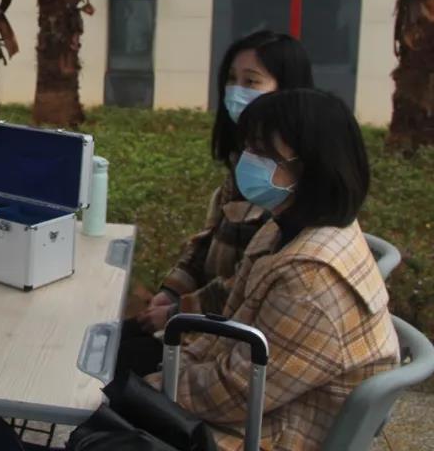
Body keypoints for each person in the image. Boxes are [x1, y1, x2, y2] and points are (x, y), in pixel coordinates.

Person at [147, 88, 399, 451]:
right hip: (262, 410)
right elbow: (231, 324)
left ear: (312, 166)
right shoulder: (285, 228)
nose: (247, 161)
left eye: (263, 153)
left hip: (267, 434)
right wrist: (171, 369)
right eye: (249, 148)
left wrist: (152, 386)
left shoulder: (311, 281)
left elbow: (236, 392)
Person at [118, 30, 313, 378]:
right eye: (231, 80)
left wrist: (178, 312)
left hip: (222, 340)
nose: (236, 91)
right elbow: (207, 240)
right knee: (106, 341)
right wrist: (171, 291)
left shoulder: (283, 178)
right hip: (196, 321)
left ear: (287, 90)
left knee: (111, 363)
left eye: (251, 82)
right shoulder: (245, 164)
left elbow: (247, 287)